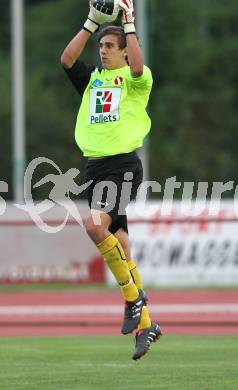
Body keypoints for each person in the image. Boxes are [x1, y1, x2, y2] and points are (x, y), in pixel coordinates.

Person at [61, 0, 162, 360]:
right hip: (94, 168)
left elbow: (138, 65)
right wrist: (92, 22)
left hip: (122, 165)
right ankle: (146, 324)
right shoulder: (93, 79)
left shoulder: (136, 80)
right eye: (100, 46)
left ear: (122, 50)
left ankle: (134, 299)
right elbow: (67, 60)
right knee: (121, 243)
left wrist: (129, 22)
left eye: (108, 46)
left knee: (94, 226)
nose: (102, 52)